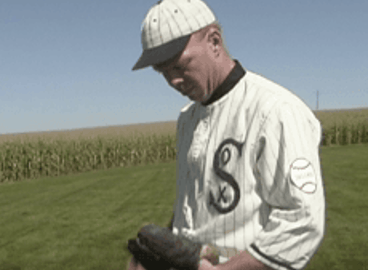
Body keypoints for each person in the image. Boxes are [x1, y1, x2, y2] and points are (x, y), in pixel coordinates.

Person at [127, 0, 326, 270]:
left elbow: (302, 220)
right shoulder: (187, 119)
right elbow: (192, 204)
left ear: (214, 41)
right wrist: (161, 252)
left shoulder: (276, 110)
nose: (173, 81)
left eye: (179, 65)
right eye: (163, 72)